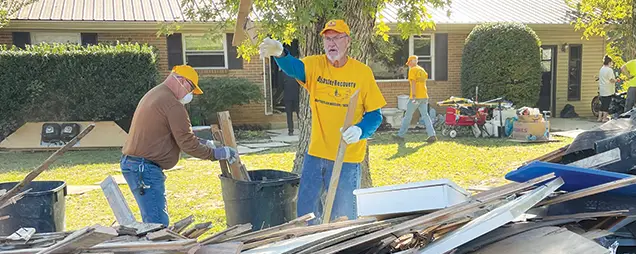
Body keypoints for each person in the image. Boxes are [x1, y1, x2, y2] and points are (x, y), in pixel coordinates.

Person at [259, 19, 386, 223]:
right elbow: (295, 69)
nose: (331, 43)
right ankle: (311, 241)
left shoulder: (362, 73)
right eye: (327, 39)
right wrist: (280, 54)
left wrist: (360, 130)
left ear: (348, 41)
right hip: (316, 154)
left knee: (343, 216)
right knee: (306, 213)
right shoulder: (315, 65)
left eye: (337, 38)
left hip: (347, 157)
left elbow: (375, 115)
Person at [121, 65, 238, 226]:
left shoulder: (157, 94)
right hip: (144, 167)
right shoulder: (172, 104)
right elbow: (187, 144)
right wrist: (216, 154)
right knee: (157, 225)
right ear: (181, 81)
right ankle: (158, 242)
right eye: (191, 88)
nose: (190, 95)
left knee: (153, 219)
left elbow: (178, 135)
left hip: (136, 164)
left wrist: (208, 143)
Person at [394, 55, 437, 143]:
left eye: (409, 63)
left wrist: (413, 96)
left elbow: (413, 83)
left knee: (408, 116)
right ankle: (432, 135)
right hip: (424, 96)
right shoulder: (422, 70)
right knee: (425, 116)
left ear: (412, 61)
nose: (409, 65)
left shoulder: (413, 70)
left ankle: (400, 135)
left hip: (416, 97)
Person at [598, 55, 616, 122]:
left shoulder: (601, 69)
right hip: (608, 90)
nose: (612, 64)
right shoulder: (609, 70)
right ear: (609, 62)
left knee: (602, 104)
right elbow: (611, 79)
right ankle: (604, 118)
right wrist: (616, 80)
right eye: (611, 62)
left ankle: (599, 118)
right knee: (606, 104)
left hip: (602, 89)